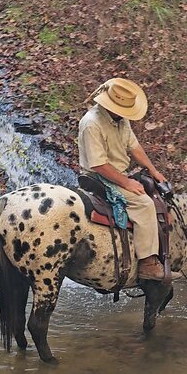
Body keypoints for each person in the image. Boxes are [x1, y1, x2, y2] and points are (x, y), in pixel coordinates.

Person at [77, 77, 169, 281]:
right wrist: (127, 182)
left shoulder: (120, 120)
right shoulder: (92, 123)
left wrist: (152, 170)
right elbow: (98, 164)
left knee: (154, 191)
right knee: (144, 203)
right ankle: (147, 264)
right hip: (97, 177)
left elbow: (134, 146)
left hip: (115, 172)